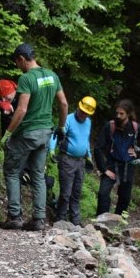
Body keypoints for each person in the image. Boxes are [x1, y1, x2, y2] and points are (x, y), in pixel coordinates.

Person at [0, 43, 67, 232]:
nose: (17, 66)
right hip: (46, 133)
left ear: (21, 59)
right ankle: (38, 219)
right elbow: (63, 103)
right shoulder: (52, 76)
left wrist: (8, 133)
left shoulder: (26, 79)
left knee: (12, 171)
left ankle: (15, 217)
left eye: (17, 63)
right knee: (38, 176)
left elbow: (21, 110)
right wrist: (61, 127)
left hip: (28, 133)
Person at [50, 95, 96, 225]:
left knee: (76, 191)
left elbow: (86, 140)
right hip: (67, 159)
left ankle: (75, 220)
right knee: (66, 192)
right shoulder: (68, 119)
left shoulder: (88, 122)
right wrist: (52, 150)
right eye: (82, 111)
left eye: (86, 113)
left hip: (80, 161)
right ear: (78, 107)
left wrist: (89, 156)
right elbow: (55, 134)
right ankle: (60, 219)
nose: (83, 115)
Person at [93, 99, 140, 216]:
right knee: (103, 193)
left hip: (127, 165)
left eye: (121, 114)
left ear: (128, 114)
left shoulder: (135, 127)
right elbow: (98, 148)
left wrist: (138, 154)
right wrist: (103, 169)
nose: (118, 116)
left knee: (125, 197)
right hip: (111, 164)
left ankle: (119, 222)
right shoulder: (110, 126)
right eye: (117, 113)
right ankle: (101, 220)